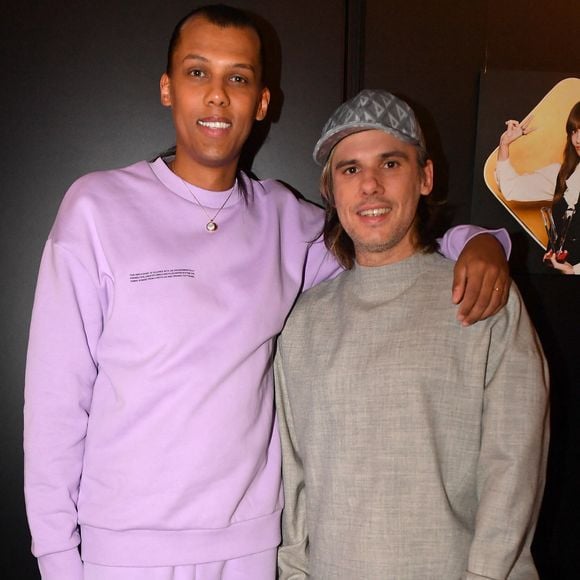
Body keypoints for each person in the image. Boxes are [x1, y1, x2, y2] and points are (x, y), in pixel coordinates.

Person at [24, 5, 511, 580]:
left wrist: (478, 239)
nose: (216, 96)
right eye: (197, 72)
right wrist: (56, 555)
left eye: (238, 78)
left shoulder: (285, 220)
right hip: (123, 551)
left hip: (252, 549)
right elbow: (55, 403)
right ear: (167, 88)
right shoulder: (96, 208)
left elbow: (381, 235)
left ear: (260, 102)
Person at [275, 89, 549, 579]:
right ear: (330, 191)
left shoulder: (481, 297)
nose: (371, 186)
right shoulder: (303, 324)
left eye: (391, 163)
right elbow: (293, 487)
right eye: (350, 169)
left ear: (424, 177)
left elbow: (514, 468)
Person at [495, 101, 580, 274]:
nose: (577, 139)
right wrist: (504, 145)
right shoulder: (562, 175)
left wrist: (574, 271)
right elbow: (512, 189)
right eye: (574, 131)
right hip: (556, 285)